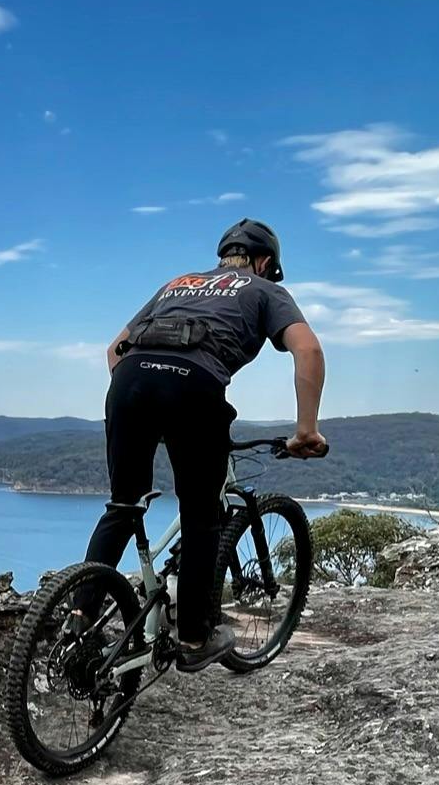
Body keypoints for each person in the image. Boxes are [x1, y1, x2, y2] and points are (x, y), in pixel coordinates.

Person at [84, 219, 328, 669]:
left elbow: (114, 349)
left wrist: (145, 402)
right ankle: (195, 637)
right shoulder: (264, 289)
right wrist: (306, 429)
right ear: (265, 262)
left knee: (124, 505)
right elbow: (308, 350)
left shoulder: (177, 284)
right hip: (191, 388)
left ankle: (78, 621)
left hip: (128, 384)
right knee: (201, 516)